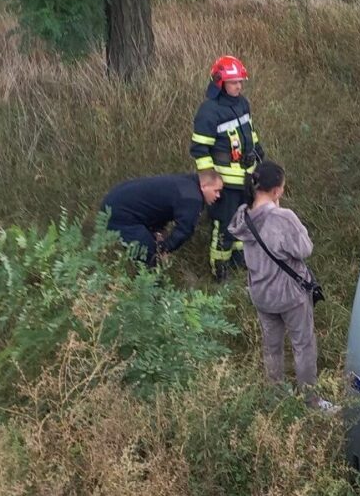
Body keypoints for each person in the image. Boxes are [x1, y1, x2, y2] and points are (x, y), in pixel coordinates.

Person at [228, 161, 337, 412]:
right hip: (290, 294)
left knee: (272, 346)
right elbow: (304, 249)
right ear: (276, 191)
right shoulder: (283, 217)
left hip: (261, 294)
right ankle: (312, 402)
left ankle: (275, 396)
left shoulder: (243, 217)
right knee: (303, 346)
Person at [190, 55, 266, 281]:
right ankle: (219, 269)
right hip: (225, 181)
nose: (239, 86)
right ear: (220, 83)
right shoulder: (209, 111)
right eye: (234, 82)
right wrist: (210, 180)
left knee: (245, 220)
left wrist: (258, 148)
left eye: (241, 82)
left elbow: (249, 131)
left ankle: (239, 259)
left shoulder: (242, 103)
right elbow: (199, 149)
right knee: (224, 224)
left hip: (247, 176)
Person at [101, 171, 224, 266]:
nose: (218, 196)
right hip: (120, 212)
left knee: (150, 251)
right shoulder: (192, 198)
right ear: (204, 186)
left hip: (118, 202)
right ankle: (149, 294)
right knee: (148, 254)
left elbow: (159, 207)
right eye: (216, 191)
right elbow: (184, 230)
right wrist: (164, 249)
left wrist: (158, 234)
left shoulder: (186, 184)